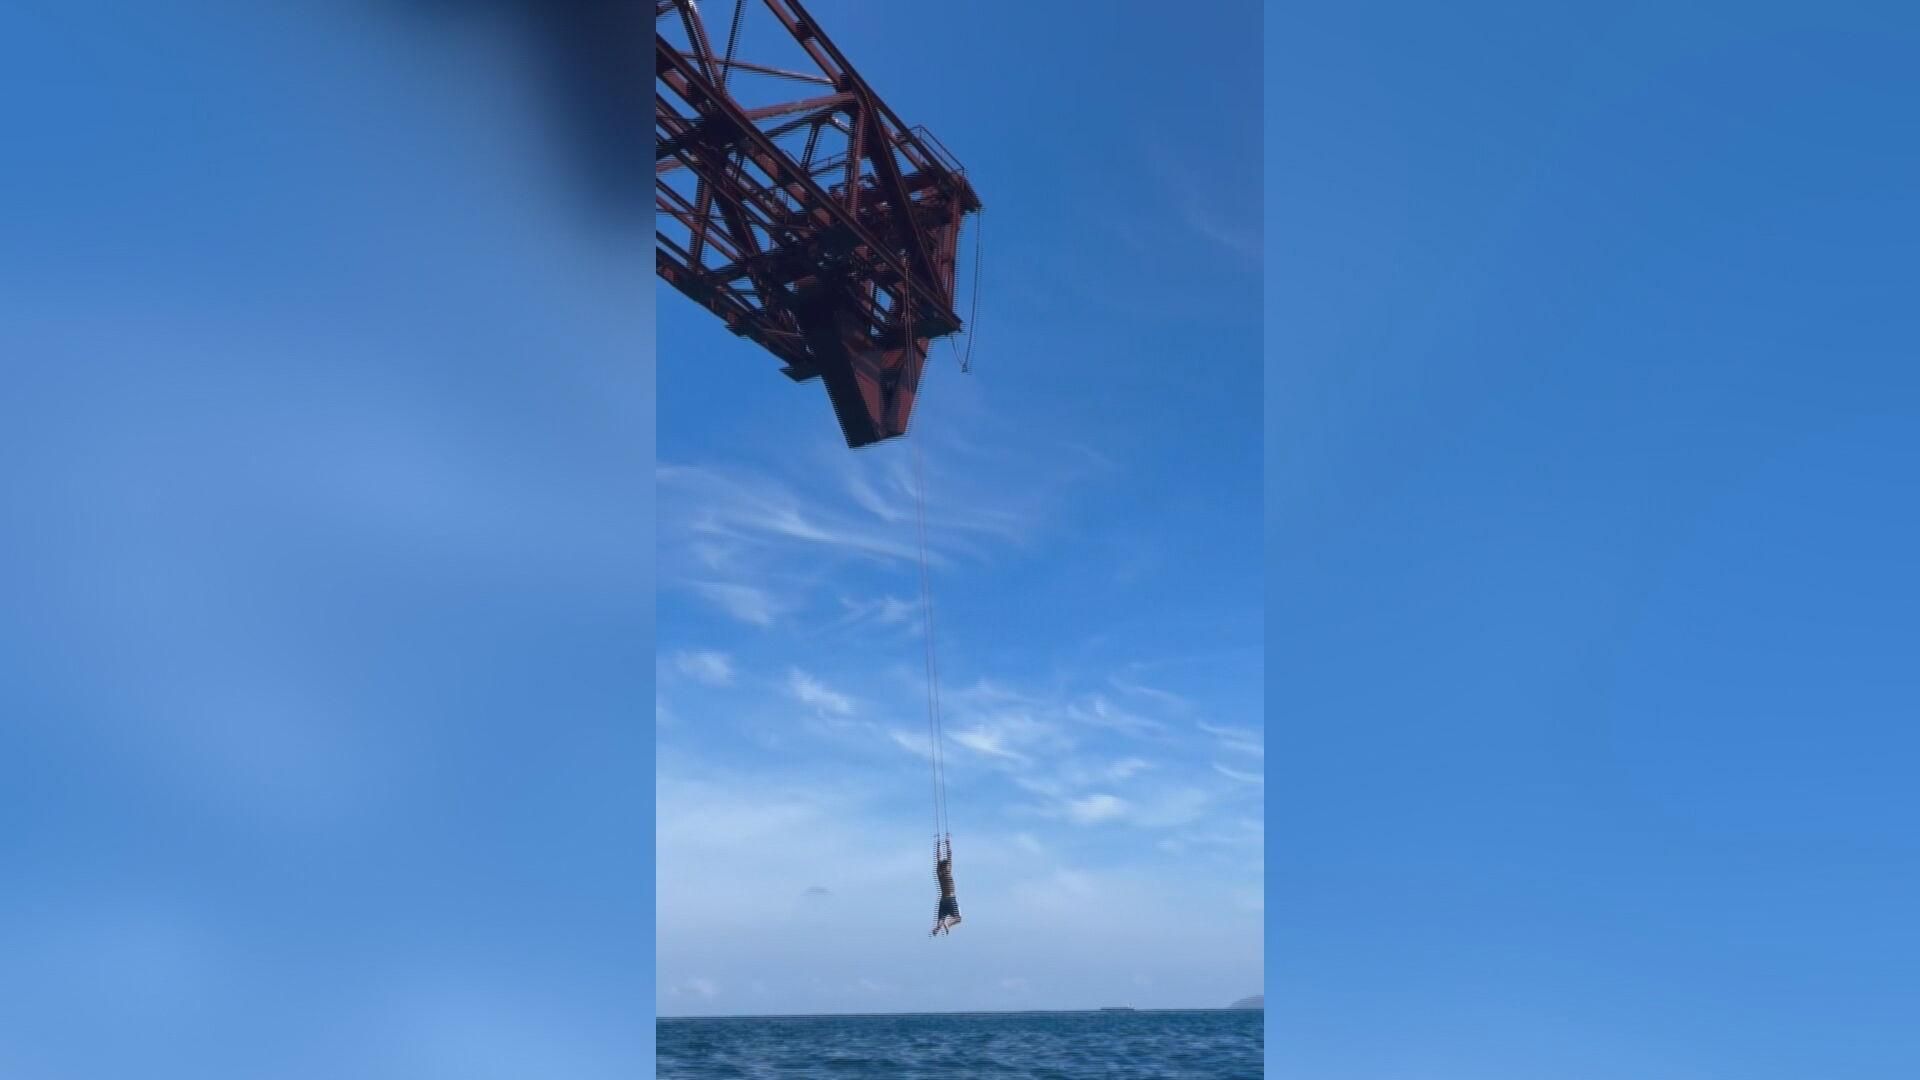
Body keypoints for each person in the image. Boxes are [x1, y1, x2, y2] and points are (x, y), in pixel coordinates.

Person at [930, 835, 962, 936]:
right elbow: (949, 854)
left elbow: (938, 856)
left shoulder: (938, 872)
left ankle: (937, 928)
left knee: (941, 918)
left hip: (943, 899)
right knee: (958, 918)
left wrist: (938, 844)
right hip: (950, 898)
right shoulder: (948, 870)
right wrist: (948, 843)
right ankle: (947, 924)